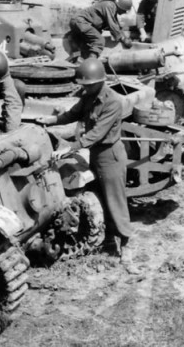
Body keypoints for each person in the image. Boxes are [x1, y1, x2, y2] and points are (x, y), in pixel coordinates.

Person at [36, 58, 138, 271]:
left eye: (88, 84)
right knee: (103, 198)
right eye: (83, 84)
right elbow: (73, 114)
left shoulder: (113, 102)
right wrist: (50, 121)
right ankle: (109, 241)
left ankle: (126, 246)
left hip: (111, 156)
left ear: (100, 81)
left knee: (116, 201)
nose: (84, 87)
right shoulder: (88, 96)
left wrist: (71, 147)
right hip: (96, 155)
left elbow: (96, 133)